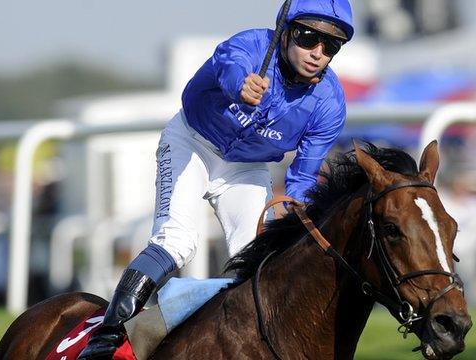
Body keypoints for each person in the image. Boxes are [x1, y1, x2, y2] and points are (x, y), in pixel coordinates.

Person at [78, 0, 354, 358]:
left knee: (259, 259)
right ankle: (106, 338)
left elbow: (304, 173)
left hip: (246, 169)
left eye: (330, 46)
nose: (317, 53)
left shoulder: (330, 103)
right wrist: (240, 85)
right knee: (177, 241)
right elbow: (228, 63)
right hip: (191, 143)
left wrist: (293, 206)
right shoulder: (250, 46)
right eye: (307, 37)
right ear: (285, 31)